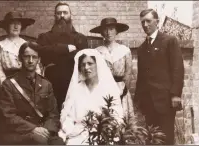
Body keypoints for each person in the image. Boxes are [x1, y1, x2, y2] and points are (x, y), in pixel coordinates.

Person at [134, 9, 184, 144]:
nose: (145, 25)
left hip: (165, 101)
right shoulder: (141, 48)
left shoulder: (169, 41)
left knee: (166, 139)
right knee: (151, 140)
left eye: (148, 21)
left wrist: (175, 94)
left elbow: (178, 69)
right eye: (142, 22)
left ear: (157, 22)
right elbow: (141, 76)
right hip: (148, 102)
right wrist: (138, 100)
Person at [0, 41, 64, 145]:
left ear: (39, 60)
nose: (30, 61)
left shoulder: (46, 84)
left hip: (43, 130)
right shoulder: (9, 85)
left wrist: (46, 130)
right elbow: (8, 116)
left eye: (34, 57)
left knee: (59, 143)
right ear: (20, 58)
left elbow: (53, 114)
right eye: (27, 57)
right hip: (20, 134)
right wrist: (33, 129)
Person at [58, 49, 124, 145]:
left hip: (103, 135)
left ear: (98, 65)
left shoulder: (109, 88)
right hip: (78, 135)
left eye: (90, 63)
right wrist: (71, 130)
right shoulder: (76, 89)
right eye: (83, 64)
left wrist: (107, 131)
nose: (86, 67)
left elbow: (117, 116)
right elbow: (68, 117)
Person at [37, 2, 88, 112]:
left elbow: (82, 58)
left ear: (70, 15)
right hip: (51, 82)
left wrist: (53, 53)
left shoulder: (80, 38)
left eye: (65, 12)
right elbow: (42, 53)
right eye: (59, 13)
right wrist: (65, 48)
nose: (62, 16)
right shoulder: (45, 37)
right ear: (55, 16)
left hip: (73, 81)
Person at [90, 17, 134, 120]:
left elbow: (128, 74)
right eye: (105, 29)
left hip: (121, 90)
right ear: (101, 32)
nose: (108, 32)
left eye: (111, 29)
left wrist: (123, 91)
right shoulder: (97, 51)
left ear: (116, 31)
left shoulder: (124, 50)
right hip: (103, 89)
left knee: (121, 119)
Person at [0, 11, 42, 85]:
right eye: (12, 23)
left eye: (18, 24)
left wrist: (37, 83)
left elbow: (36, 66)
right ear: (7, 26)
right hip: (8, 83)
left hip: (28, 82)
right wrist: (5, 85)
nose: (16, 26)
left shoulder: (27, 44)